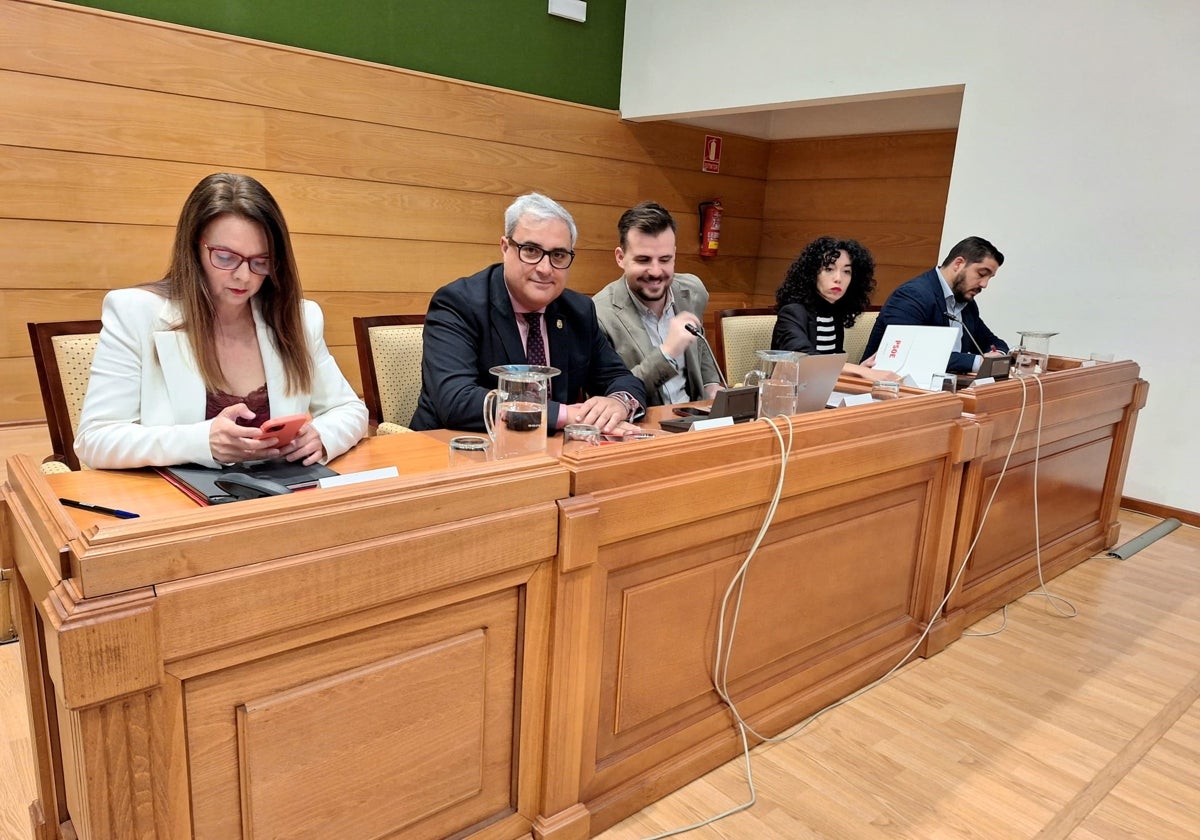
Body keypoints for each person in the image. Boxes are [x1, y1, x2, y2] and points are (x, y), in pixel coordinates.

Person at [75, 173, 368, 470]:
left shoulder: (299, 318)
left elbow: (349, 409)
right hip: (181, 502)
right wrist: (201, 442)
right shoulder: (136, 312)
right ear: (194, 248)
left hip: (281, 497)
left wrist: (321, 435)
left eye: (260, 261)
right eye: (226, 257)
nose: (244, 276)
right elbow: (95, 439)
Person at [409, 193, 647, 435]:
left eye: (558, 255)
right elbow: (457, 400)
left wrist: (619, 402)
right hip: (456, 448)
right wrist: (565, 415)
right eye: (531, 250)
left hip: (550, 452)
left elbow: (621, 377)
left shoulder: (578, 310)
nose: (545, 269)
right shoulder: (458, 304)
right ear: (505, 248)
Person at [592, 201, 723, 406]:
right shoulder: (599, 314)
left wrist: (713, 386)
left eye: (664, 260)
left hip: (693, 419)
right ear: (620, 258)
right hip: (641, 428)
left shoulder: (693, 292)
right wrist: (668, 352)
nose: (655, 271)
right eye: (643, 260)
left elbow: (701, 350)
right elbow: (610, 397)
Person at [860, 236, 1009, 375]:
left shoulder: (966, 303)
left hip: (945, 387)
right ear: (958, 264)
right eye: (982, 274)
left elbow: (992, 342)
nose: (984, 284)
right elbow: (909, 354)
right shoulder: (912, 295)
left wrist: (998, 355)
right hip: (892, 387)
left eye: (990, 278)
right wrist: (979, 362)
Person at [770, 236, 900, 382]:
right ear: (812, 274)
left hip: (822, 391)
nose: (838, 278)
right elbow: (804, 359)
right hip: (790, 396)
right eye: (829, 269)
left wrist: (860, 370)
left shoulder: (834, 312)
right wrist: (860, 372)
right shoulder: (792, 311)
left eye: (846, 272)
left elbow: (832, 364)